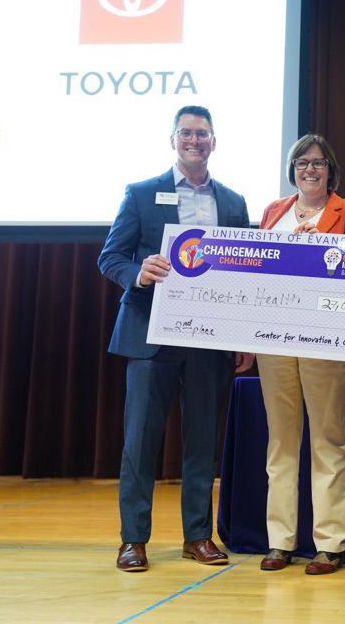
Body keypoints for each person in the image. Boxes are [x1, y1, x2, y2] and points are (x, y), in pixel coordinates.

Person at [98, 105, 253, 572]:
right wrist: (138, 273)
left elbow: (244, 271)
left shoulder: (232, 202)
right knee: (140, 439)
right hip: (151, 335)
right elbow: (111, 258)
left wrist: (242, 334)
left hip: (209, 336)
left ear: (213, 141)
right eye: (186, 133)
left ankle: (198, 536)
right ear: (173, 140)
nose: (195, 140)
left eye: (202, 134)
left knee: (202, 441)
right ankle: (134, 540)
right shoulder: (142, 193)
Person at [255, 134, 345, 575]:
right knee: (281, 442)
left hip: (327, 339)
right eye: (302, 162)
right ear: (292, 168)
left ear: (330, 169)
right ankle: (279, 541)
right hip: (274, 340)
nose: (310, 169)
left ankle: (330, 543)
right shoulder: (272, 212)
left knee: (329, 439)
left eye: (318, 162)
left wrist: (320, 248)